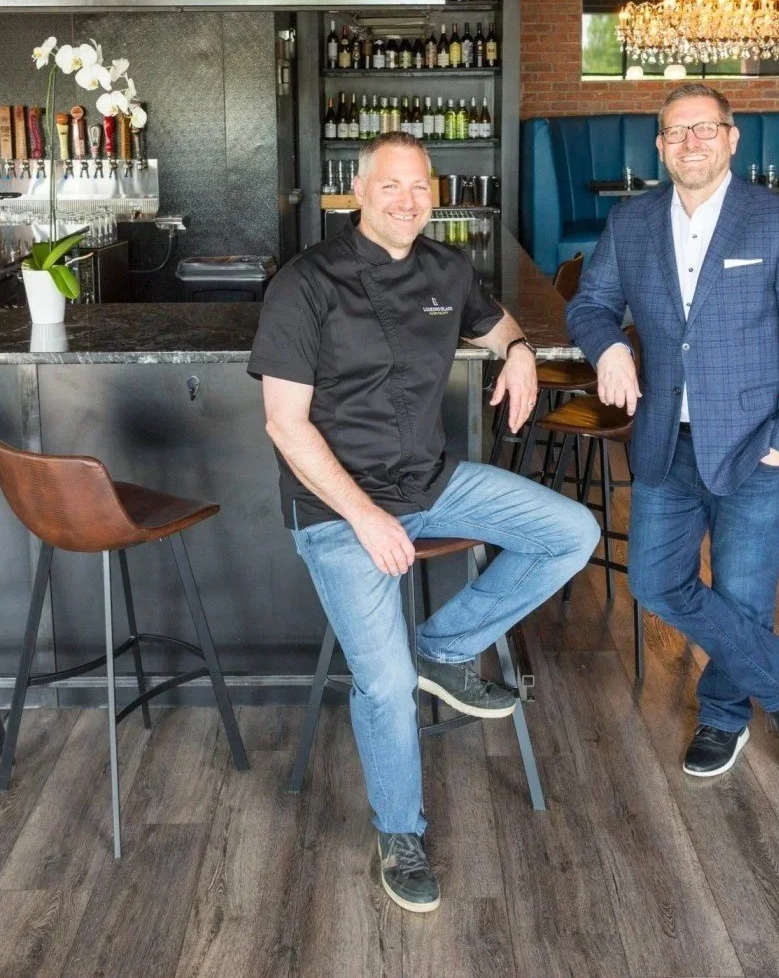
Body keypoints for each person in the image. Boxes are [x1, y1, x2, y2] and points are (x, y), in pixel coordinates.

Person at [250, 131, 598, 914]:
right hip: (338, 507)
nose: (407, 202)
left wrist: (517, 351)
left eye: (419, 188)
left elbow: (495, 320)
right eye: (390, 187)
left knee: (570, 532)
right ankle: (400, 832)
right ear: (357, 191)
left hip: (433, 482)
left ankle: (442, 647)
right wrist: (366, 516)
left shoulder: (447, 269)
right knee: (381, 683)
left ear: (434, 195)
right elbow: (284, 424)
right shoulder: (305, 284)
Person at [565, 82, 779, 779]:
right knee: (655, 582)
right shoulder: (631, 222)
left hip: (757, 443)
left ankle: (723, 718)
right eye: (675, 132)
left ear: (731, 137)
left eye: (703, 129)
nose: (690, 142)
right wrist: (611, 348)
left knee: (743, 594)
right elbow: (590, 305)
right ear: (658, 146)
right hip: (665, 441)